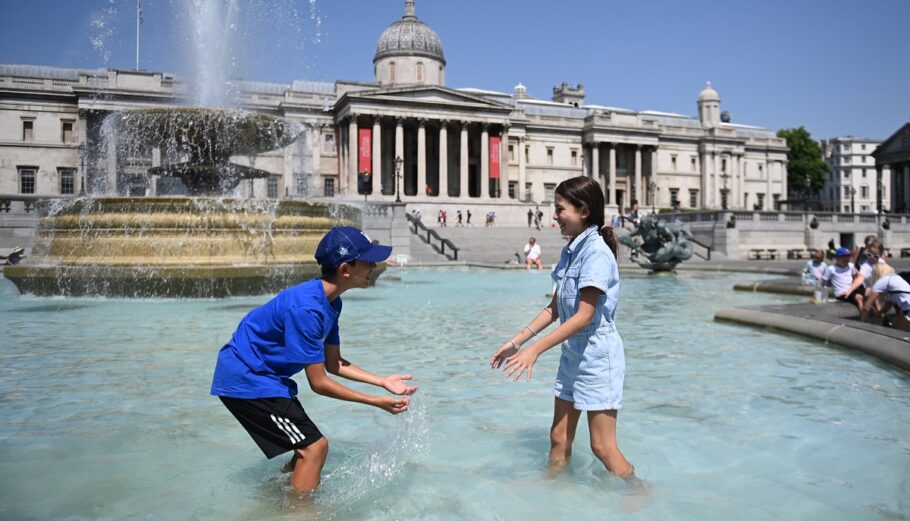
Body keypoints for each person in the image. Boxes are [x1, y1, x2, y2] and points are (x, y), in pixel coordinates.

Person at [211, 227, 417, 493]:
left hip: (265, 377)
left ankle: (275, 495)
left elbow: (335, 364)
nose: (374, 266)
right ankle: (301, 513)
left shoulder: (331, 302)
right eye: (368, 261)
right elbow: (319, 383)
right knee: (315, 448)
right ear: (346, 269)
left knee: (304, 448)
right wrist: (375, 401)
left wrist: (381, 381)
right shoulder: (307, 309)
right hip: (247, 379)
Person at [490, 176, 641, 486]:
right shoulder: (572, 251)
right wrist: (517, 342)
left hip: (598, 358)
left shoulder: (596, 253)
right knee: (558, 437)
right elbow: (555, 308)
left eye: (559, 209)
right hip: (573, 355)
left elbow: (584, 316)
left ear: (583, 210)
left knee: (602, 447)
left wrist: (535, 350)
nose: (555, 216)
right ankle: (550, 492)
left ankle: (638, 491)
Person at [862, 263, 910, 331]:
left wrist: (861, 324)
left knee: (897, 336)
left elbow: (867, 306)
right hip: (906, 310)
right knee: (898, 333)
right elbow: (886, 308)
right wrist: (874, 320)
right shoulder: (896, 280)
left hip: (908, 310)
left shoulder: (882, 281)